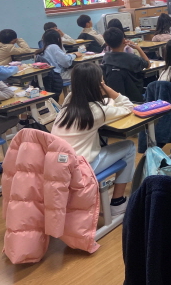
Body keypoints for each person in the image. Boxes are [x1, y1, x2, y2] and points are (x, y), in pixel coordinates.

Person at [51, 63, 136, 216]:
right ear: (98, 84)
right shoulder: (97, 111)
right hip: (79, 169)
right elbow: (128, 107)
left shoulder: (69, 100)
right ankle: (118, 202)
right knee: (129, 146)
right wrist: (107, 89)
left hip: (58, 167)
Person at [102, 27, 150, 102]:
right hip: (135, 99)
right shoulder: (132, 58)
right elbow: (148, 64)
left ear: (106, 43)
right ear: (124, 40)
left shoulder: (106, 58)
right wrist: (138, 48)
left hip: (114, 99)